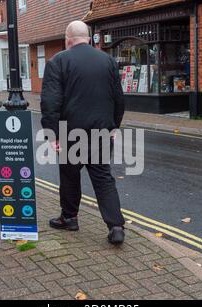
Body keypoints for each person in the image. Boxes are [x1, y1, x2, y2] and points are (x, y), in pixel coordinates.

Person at [40, 21, 126, 244]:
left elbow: (50, 101)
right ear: (88, 38)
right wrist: (114, 126)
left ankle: (69, 218)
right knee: (103, 178)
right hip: (101, 130)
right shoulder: (107, 60)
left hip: (71, 133)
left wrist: (52, 133)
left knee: (70, 176)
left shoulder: (58, 61)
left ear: (68, 39)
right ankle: (116, 226)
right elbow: (118, 98)